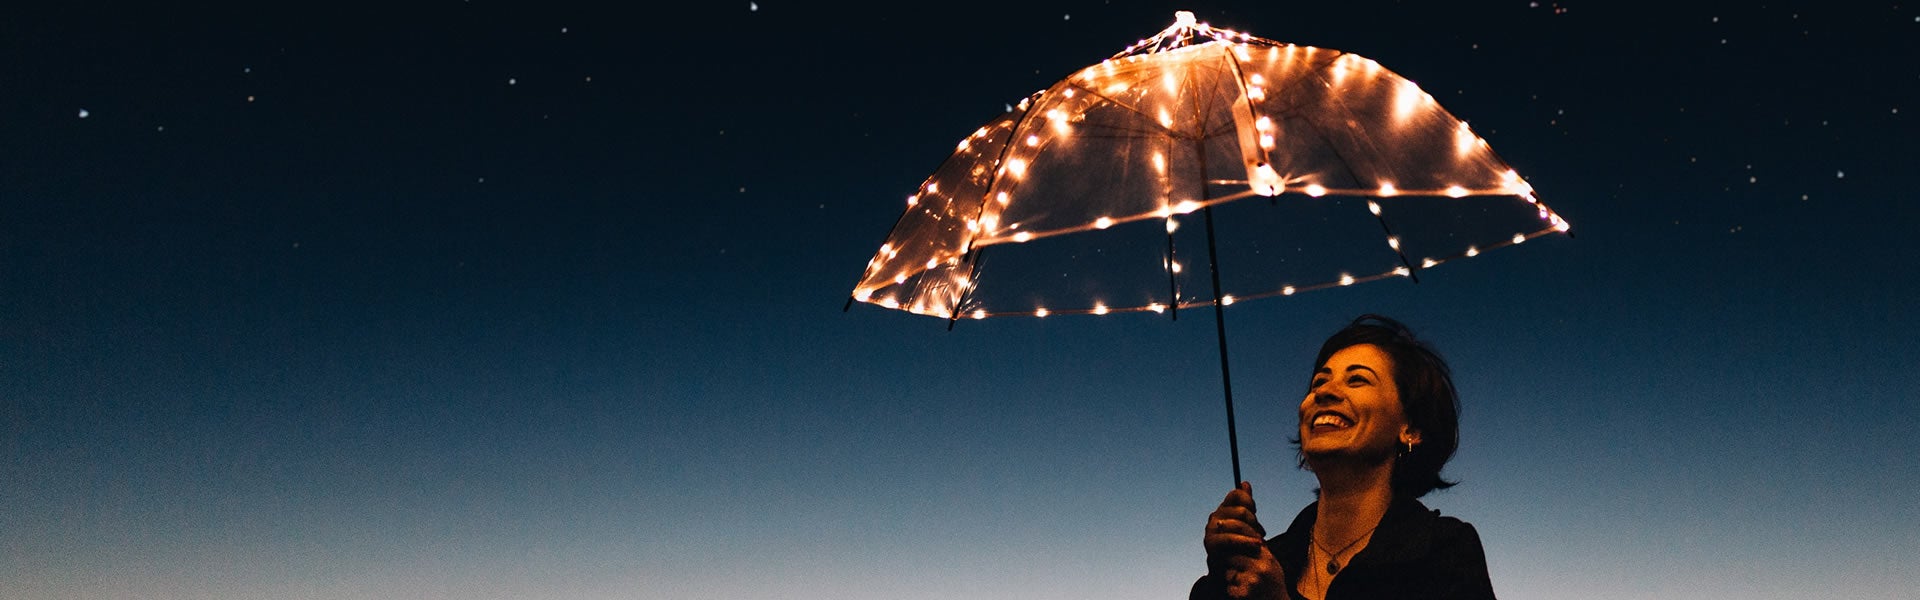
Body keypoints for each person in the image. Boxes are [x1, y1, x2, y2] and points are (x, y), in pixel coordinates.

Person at [1191, 315, 1495, 600]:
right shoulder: (1262, 566)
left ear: (1410, 429)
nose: (1325, 392)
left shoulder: (1444, 552)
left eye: (1357, 380)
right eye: (1319, 382)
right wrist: (1219, 578)